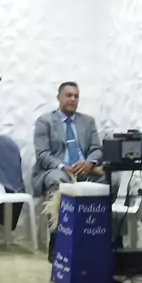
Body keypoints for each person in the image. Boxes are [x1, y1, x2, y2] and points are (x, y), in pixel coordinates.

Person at [31, 82, 114, 262]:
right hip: (56, 170)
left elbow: (97, 149)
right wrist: (64, 166)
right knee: (59, 181)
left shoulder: (87, 121)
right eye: (68, 95)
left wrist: (89, 163)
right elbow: (43, 154)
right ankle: (58, 238)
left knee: (110, 179)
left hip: (85, 170)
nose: (72, 99)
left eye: (76, 96)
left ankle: (99, 234)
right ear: (59, 98)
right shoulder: (45, 121)